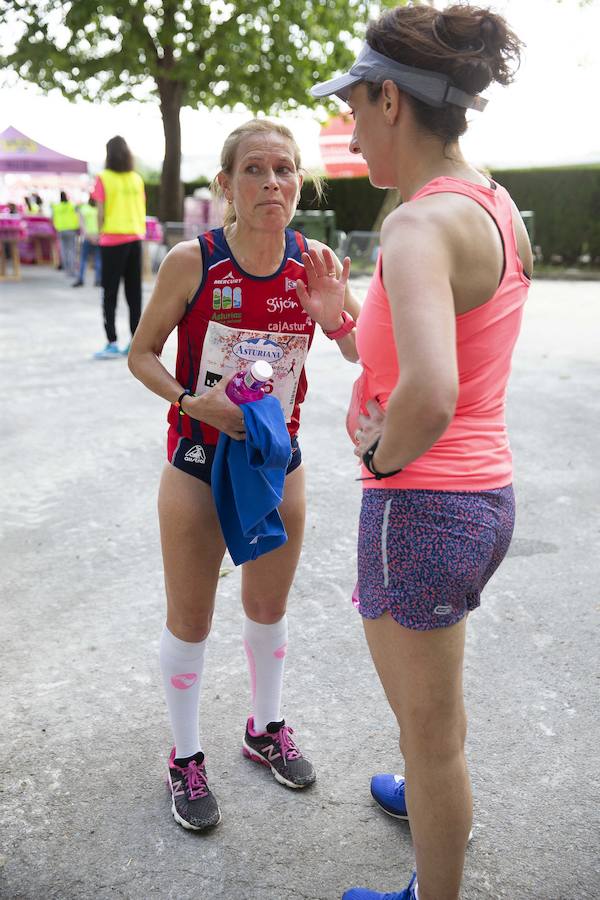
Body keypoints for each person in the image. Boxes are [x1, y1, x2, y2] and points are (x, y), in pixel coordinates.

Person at [306, 5, 530, 900]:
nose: (352, 130)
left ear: (391, 100)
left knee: (435, 735)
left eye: (355, 109)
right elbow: (436, 355)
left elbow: (430, 395)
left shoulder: (413, 227)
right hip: (479, 497)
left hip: (421, 505)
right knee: (426, 716)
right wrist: (344, 329)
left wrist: (385, 455)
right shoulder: (491, 201)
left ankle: (433, 871)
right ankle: (429, 789)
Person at [127, 119, 359, 833]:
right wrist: (193, 402)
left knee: (267, 608)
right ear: (225, 185)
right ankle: (186, 755)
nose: (272, 183)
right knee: (191, 618)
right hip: (198, 460)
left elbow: (361, 358)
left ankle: (264, 729)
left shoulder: (313, 262)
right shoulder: (191, 263)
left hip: (275, 461)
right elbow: (142, 354)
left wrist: (339, 321)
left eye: (285, 169)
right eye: (254, 170)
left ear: (299, 182)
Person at [92, 135, 146, 359]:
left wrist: (98, 231)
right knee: (134, 293)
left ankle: (112, 341)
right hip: (135, 238)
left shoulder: (103, 178)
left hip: (113, 240)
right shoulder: (136, 179)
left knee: (110, 292)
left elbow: (101, 211)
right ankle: (135, 340)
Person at [73, 195, 101, 287]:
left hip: (87, 237)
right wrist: (98, 236)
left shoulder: (84, 209)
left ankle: (80, 279)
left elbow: (81, 224)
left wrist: (88, 236)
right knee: (98, 259)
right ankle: (98, 280)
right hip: (98, 237)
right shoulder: (99, 209)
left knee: (83, 259)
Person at [51, 190, 79, 278]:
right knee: (72, 250)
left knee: (64, 250)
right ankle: (72, 270)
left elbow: (52, 218)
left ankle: (67, 270)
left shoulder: (56, 207)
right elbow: (77, 216)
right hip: (71, 230)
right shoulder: (71, 206)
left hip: (61, 230)